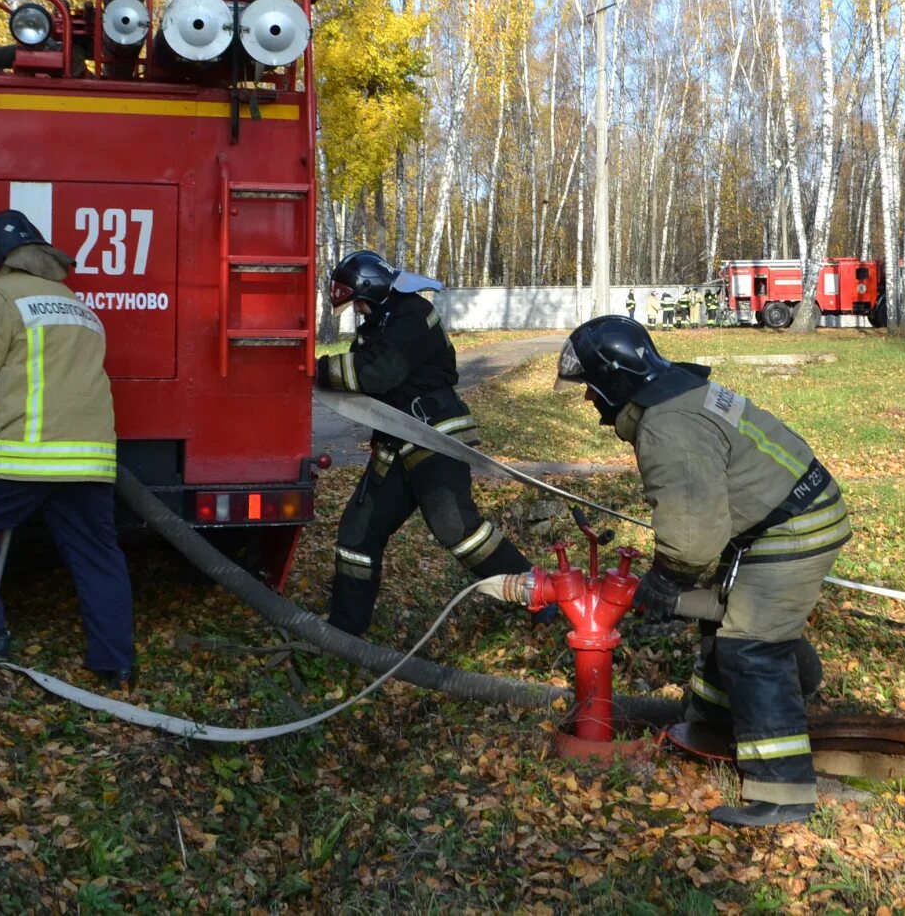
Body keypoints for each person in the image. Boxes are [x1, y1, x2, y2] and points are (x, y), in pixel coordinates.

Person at [557, 316, 850, 829]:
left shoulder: (668, 427)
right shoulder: (680, 395)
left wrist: (667, 583)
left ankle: (783, 794)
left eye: (590, 390)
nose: (589, 402)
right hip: (782, 516)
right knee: (722, 627)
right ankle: (713, 728)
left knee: (751, 647)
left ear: (612, 383)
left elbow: (693, 534)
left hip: (791, 530)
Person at [0, 210, 134, 687]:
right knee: (98, 554)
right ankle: (116, 662)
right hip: (91, 459)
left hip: (27, 451)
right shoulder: (77, 305)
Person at [316, 250, 546, 634]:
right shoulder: (379, 321)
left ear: (371, 289)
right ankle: (345, 631)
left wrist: (315, 368)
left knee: (458, 530)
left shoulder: (411, 315)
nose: (357, 311)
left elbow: (376, 374)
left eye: (357, 302)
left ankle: (540, 597)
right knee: (358, 531)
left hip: (433, 434)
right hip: (396, 438)